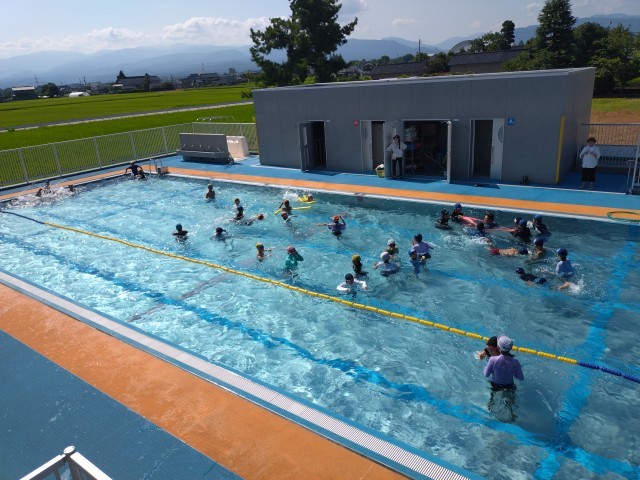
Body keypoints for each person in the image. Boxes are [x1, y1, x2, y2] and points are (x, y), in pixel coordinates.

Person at [484, 336, 524, 421]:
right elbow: (521, 377)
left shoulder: (492, 359)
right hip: (510, 386)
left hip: (496, 386)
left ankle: (490, 415)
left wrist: (486, 367)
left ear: (498, 347)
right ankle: (512, 417)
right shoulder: (515, 362)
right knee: (509, 405)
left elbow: (486, 374)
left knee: (492, 402)